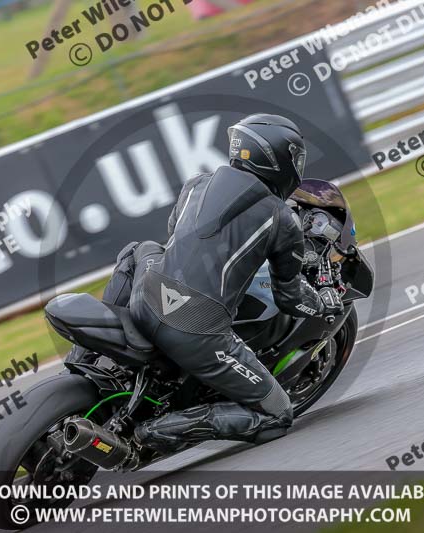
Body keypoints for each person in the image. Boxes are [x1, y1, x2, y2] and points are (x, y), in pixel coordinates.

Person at [127, 114, 344, 453]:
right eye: (295, 158)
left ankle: (96, 357)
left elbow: (179, 236)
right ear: (278, 160)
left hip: (145, 296)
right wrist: (322, 304)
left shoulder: (196, 184)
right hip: (195, 329)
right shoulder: (282, 218)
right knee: (278, 415)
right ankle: (154, 430)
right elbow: (288, 297)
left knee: (140, 251)